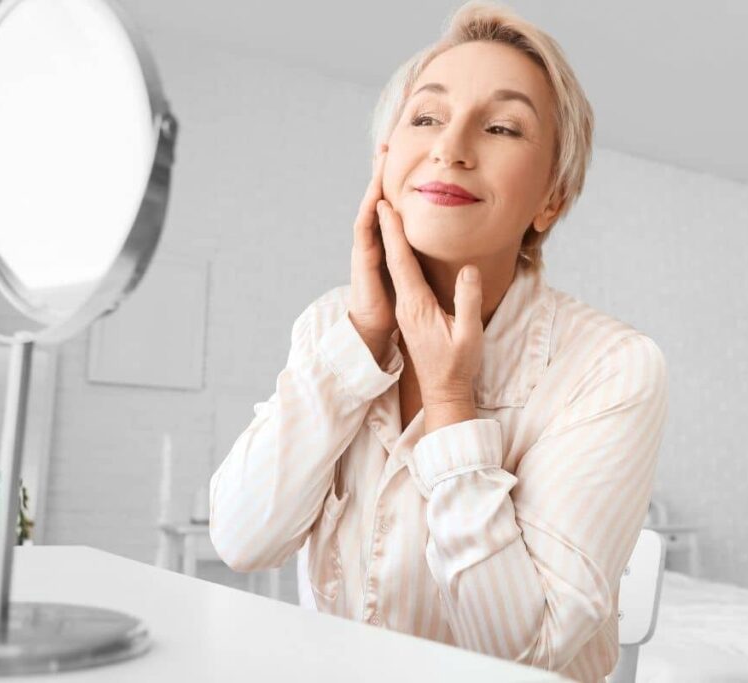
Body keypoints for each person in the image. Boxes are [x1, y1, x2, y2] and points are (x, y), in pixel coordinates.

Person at [209, 3, 668, 682]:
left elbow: (526, 650)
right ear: (384, 160)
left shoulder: (614, 368)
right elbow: (242, 539)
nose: (451, 147)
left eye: (502, 126)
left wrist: (453, 401)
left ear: (553, 197)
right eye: (425, 117)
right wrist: (361, 343)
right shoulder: (329, 327)